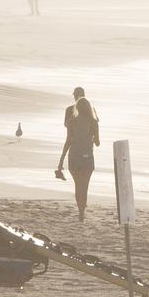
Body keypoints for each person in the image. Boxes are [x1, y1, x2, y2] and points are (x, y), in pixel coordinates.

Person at [55, 87, 100, 222]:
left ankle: (80, 211)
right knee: (84, 186)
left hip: (74, 157)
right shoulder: (93, 119)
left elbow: (68, 141)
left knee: (77, 186)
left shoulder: (71, 118)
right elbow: (97, 142)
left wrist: (61, 161)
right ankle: (82, 212)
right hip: (87, 157)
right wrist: (91, 137)